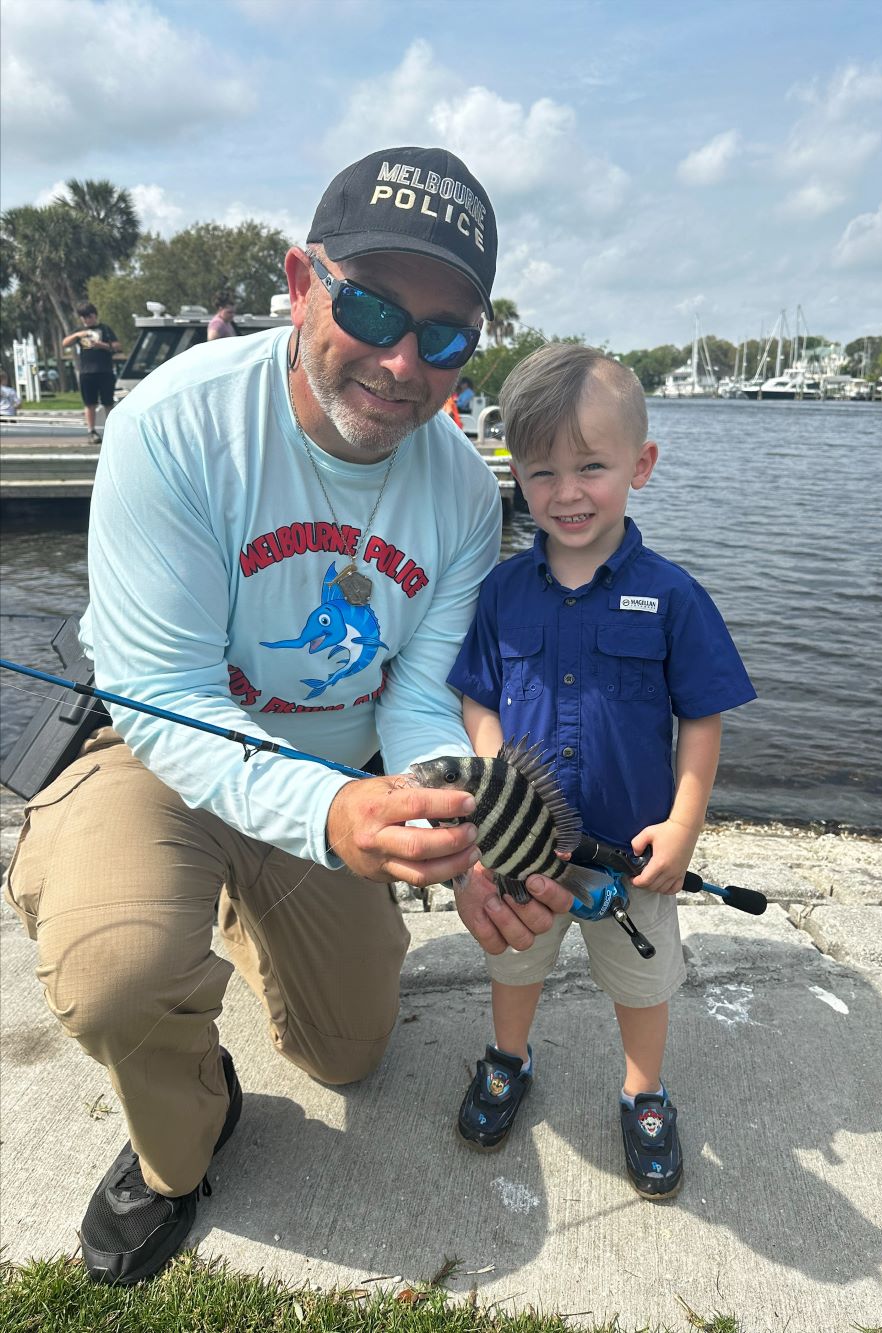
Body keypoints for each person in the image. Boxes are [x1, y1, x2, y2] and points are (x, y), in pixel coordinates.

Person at [5, 145, 575, 1285]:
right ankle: (180, 1137)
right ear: (298, 281)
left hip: (343, 764)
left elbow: (417, 687)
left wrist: (446, 820)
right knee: (119, 966)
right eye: (367, 304)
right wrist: (335, 815)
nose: (402, 360)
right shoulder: (175, 425)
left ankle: (248, 922)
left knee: (351, 1054)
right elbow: (164, 694)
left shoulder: (464, 485)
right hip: (150, 752)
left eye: (447, 335)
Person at [446, 342, 756, 1201]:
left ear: (641, 466)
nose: (567, 491)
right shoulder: (503, 591)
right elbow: (477, 697)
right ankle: (509, 1058)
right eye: (542, 471)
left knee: (642, 978)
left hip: (633, 847)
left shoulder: (673, 595)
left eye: (592, 466)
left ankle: (642, 1090)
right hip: (523, 846)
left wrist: (685, 823)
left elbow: (702, 716)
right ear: (515, 473)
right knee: (515, 961)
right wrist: (492, 762)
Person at [62, 302, 120, 441]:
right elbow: (65, 343)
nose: (87, 319)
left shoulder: (105, 329)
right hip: (87, 372)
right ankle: (91, 431)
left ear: (95, 315)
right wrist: (77, 336)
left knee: (108, 402)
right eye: (83, 317)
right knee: (90, 403)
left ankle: (112, 431)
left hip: (105, 370)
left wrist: (102, 345)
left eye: (89, 316)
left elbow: (117, 346)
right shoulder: (79, 331)